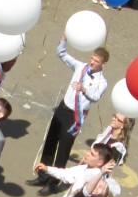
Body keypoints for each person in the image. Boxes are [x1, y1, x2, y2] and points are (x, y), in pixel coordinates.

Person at [35, 41, 110, 181]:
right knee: (50, 141)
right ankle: (42, 174)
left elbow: (95, 97)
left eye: (96, 61)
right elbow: (61, 53)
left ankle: (53, 181)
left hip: (75, 116)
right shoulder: (81, 67)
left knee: (63, 149)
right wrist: (64, 39)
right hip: (63, 108)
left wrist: (84, 89)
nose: (92, 62)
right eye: (92, 58)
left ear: (103, 64)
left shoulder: (102, 82)